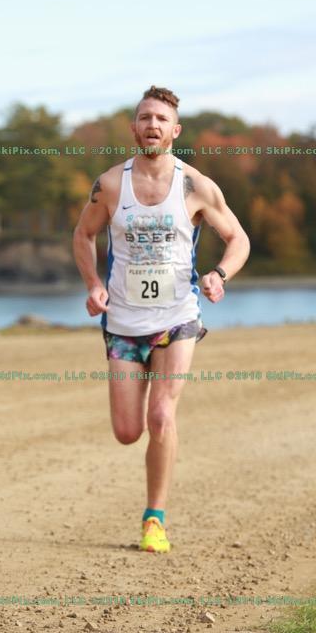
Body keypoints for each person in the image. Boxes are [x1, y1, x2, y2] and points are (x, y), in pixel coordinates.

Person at [73, 86, 250, 552]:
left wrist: (219, 274)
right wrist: (93, 284)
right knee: (127, 431)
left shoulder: (196, 186)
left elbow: (238, 239)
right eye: (145, 117)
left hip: (177, 317)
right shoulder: (111, 185)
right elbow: (83, 234)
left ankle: (155, 519)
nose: (152, 124)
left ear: (175, 130)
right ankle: (153, 507)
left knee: (161, 414)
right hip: (123, 323)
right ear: (134, 128)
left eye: (161, 119)